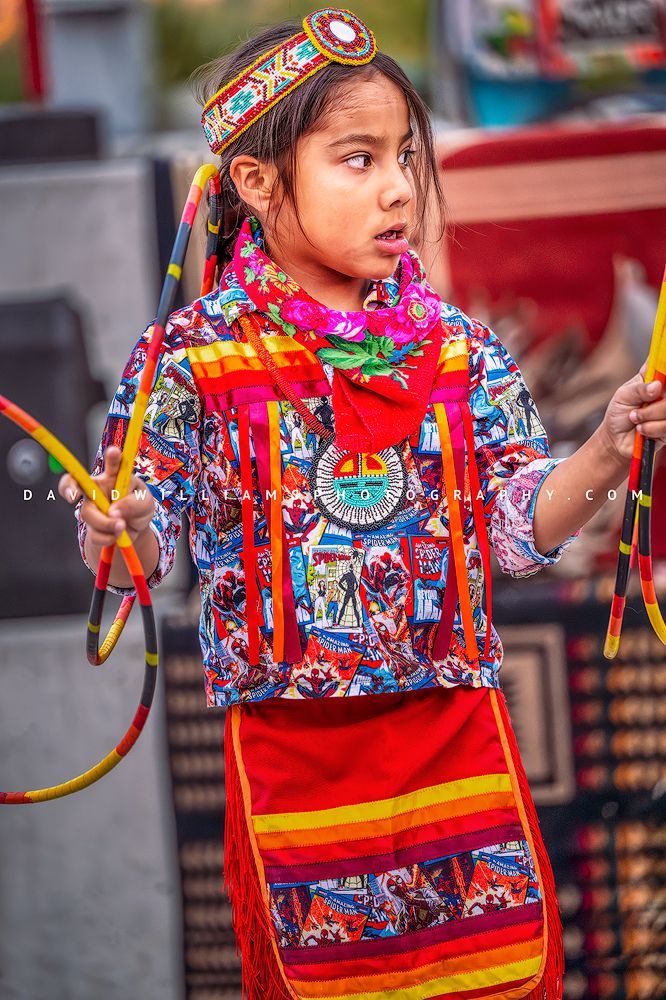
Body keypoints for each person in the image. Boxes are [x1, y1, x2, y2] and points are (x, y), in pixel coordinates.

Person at [58, 9, 666, 999]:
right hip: (298, 760)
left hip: (454, 735)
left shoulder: (459, 350)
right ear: (257, 182)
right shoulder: (190, 361)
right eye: (356, 159)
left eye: (404, 158)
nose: (396, 187)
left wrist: (607, 445)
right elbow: (142, 542)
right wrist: (115, 532)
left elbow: (521, 526)